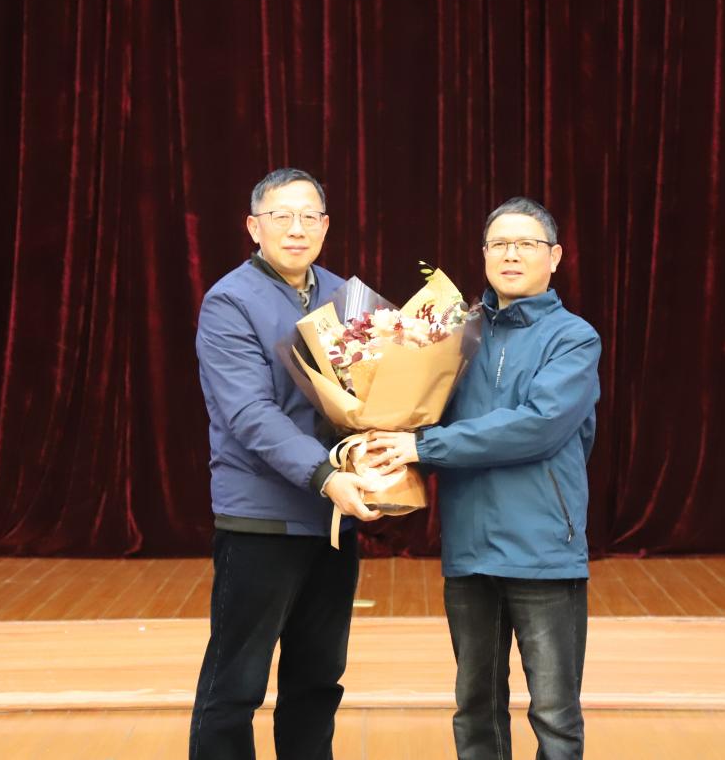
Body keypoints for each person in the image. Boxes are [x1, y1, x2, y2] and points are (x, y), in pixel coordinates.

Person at [368, 197, 600, 760]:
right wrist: (376, 439)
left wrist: (425, 446)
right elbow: (416, 410)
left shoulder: (574, 338)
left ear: (555, 257)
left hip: (543, 549)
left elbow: (538, 426)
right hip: (470, 549)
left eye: (526, 244)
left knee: (555, 714)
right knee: (475, 709)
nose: (511, 255)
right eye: (499, 244)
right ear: (484, 255)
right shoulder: (453, 334)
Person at [189, 167, 382, 759]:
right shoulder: (229, 301)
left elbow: (381, 390)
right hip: (262, 519)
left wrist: (379, 444)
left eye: (308, 217)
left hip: (332, 521)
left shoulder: (348, 297)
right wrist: (327, 476)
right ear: (255, 227)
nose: (296, 229)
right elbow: (249, 413)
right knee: (236, 685)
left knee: (317, 681)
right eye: (281, 216)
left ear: (325, 227)